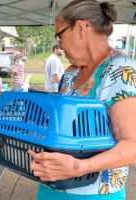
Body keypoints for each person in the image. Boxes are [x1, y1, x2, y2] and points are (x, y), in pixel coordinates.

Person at [27, 1, 136, 199]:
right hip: (52, 186)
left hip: (94, 193)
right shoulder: (70, 74)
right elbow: (57, 130)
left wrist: (79, 167)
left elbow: (132, 145)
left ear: (80, 28)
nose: (59, 46)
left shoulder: (119, 69)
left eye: (60, 36)